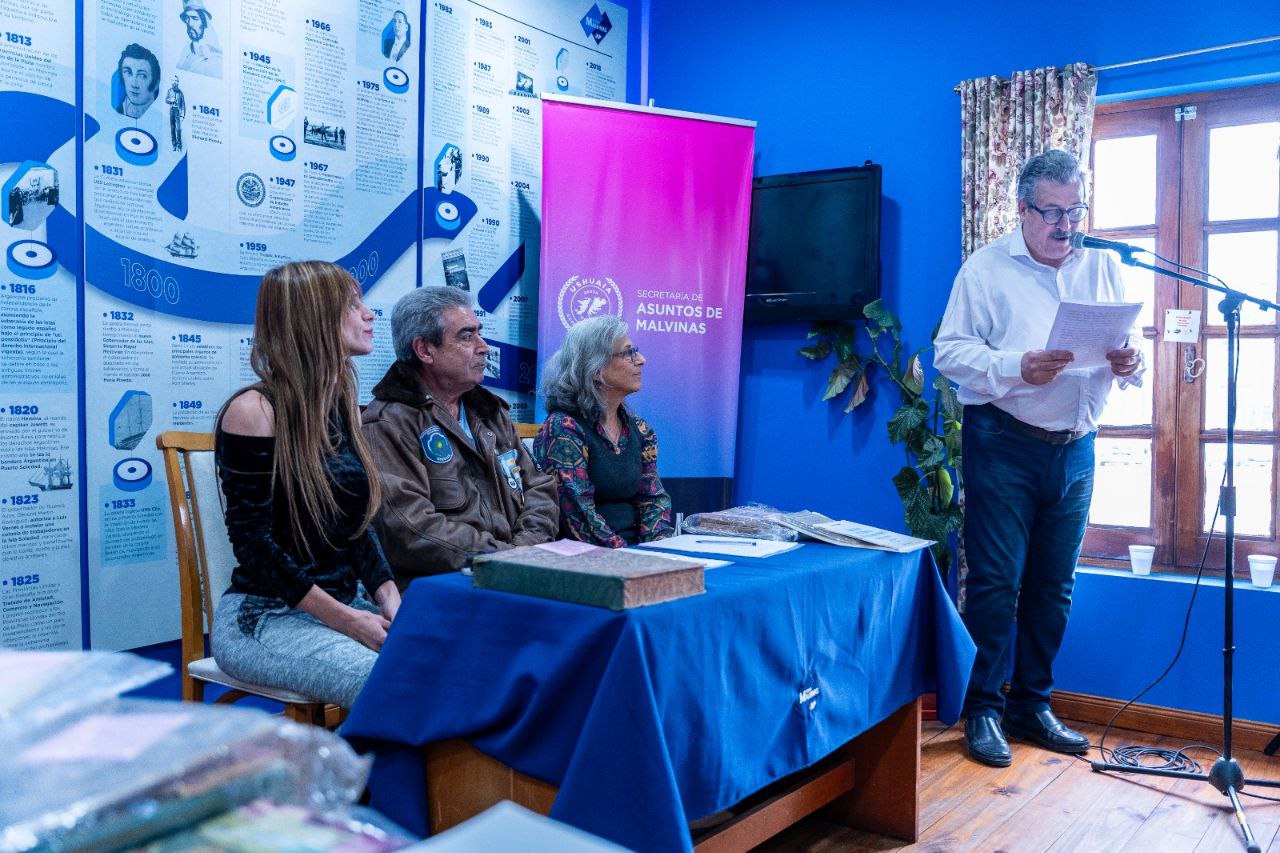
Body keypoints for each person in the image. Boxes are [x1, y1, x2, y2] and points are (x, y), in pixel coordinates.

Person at [935, 149, 1143, 767]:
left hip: (1077, 446)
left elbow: (1125, 342)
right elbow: (949, 352)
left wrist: (1130, 361)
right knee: (996, 583)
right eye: (1052, 212)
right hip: (1005, 442)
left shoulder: (1103, 264)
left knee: (1055, 586)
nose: (1066, 225)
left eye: (1075, 211)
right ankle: (983, 710)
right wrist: (1014, 366)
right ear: (1022, 210)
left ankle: (1032, 704)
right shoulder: (986, 268)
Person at [212, 261, 401, 709]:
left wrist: (391, 600)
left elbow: (355, 528)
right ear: (314, 318)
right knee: (396, 687)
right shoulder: (254, 411)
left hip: (346, 605)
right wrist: (347, 621)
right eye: (352, 305)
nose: (369, 314)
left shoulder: (342, 407)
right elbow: (254, 546)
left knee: (453, 661)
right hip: (267, 616)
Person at [362, 287, 558, 583]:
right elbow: (409, 529)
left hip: (517, 569)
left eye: (479, 333)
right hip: (447, 584)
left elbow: (539, 488)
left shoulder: (490, 412)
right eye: (467, 336)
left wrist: (524, 552)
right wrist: (504, 559)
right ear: (425, 350)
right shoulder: (387, 423)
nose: (484, 347)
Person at [533, 316, 674, 547]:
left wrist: (659, 548)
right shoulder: (564, 429)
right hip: (587, 556)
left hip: (637, 553)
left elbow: (653, 499)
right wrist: (631, 557)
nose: (641, 360)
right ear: (596, 369)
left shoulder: (640, 430)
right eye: (629, 353)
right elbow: (578, 517)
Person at [177, 0, 222, 78]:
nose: (190, 24)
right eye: (187, 18)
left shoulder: (214, 58)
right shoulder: (186, 52)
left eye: (195, 18)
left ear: (204, 22)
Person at [115, 44, 160, 119]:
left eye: (142, 76)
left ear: (156, 84)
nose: (134, 84)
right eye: (128, 72)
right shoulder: (116, 111)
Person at [165, 77, 185, 151]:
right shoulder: (169, 91)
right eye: (173, 80)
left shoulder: (180, 93)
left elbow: (183, 105)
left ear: (178, 82)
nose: (174, 82)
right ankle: (174, 145)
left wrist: (182, 115)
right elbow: (166, 100)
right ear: (171, 81)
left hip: (178, 111)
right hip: (172, 110)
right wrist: (171, 100)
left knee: (178, 129)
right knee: (172, 128)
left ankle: (179, 145)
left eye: (176, 81)